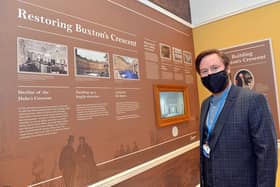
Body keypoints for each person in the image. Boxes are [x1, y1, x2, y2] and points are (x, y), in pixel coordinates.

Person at [195, 49, 277, 187]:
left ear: (227, 69)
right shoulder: (205, 104)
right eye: (204, 71)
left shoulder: (253, 100)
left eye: (215, 68)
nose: (210, 74)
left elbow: (267, 153)